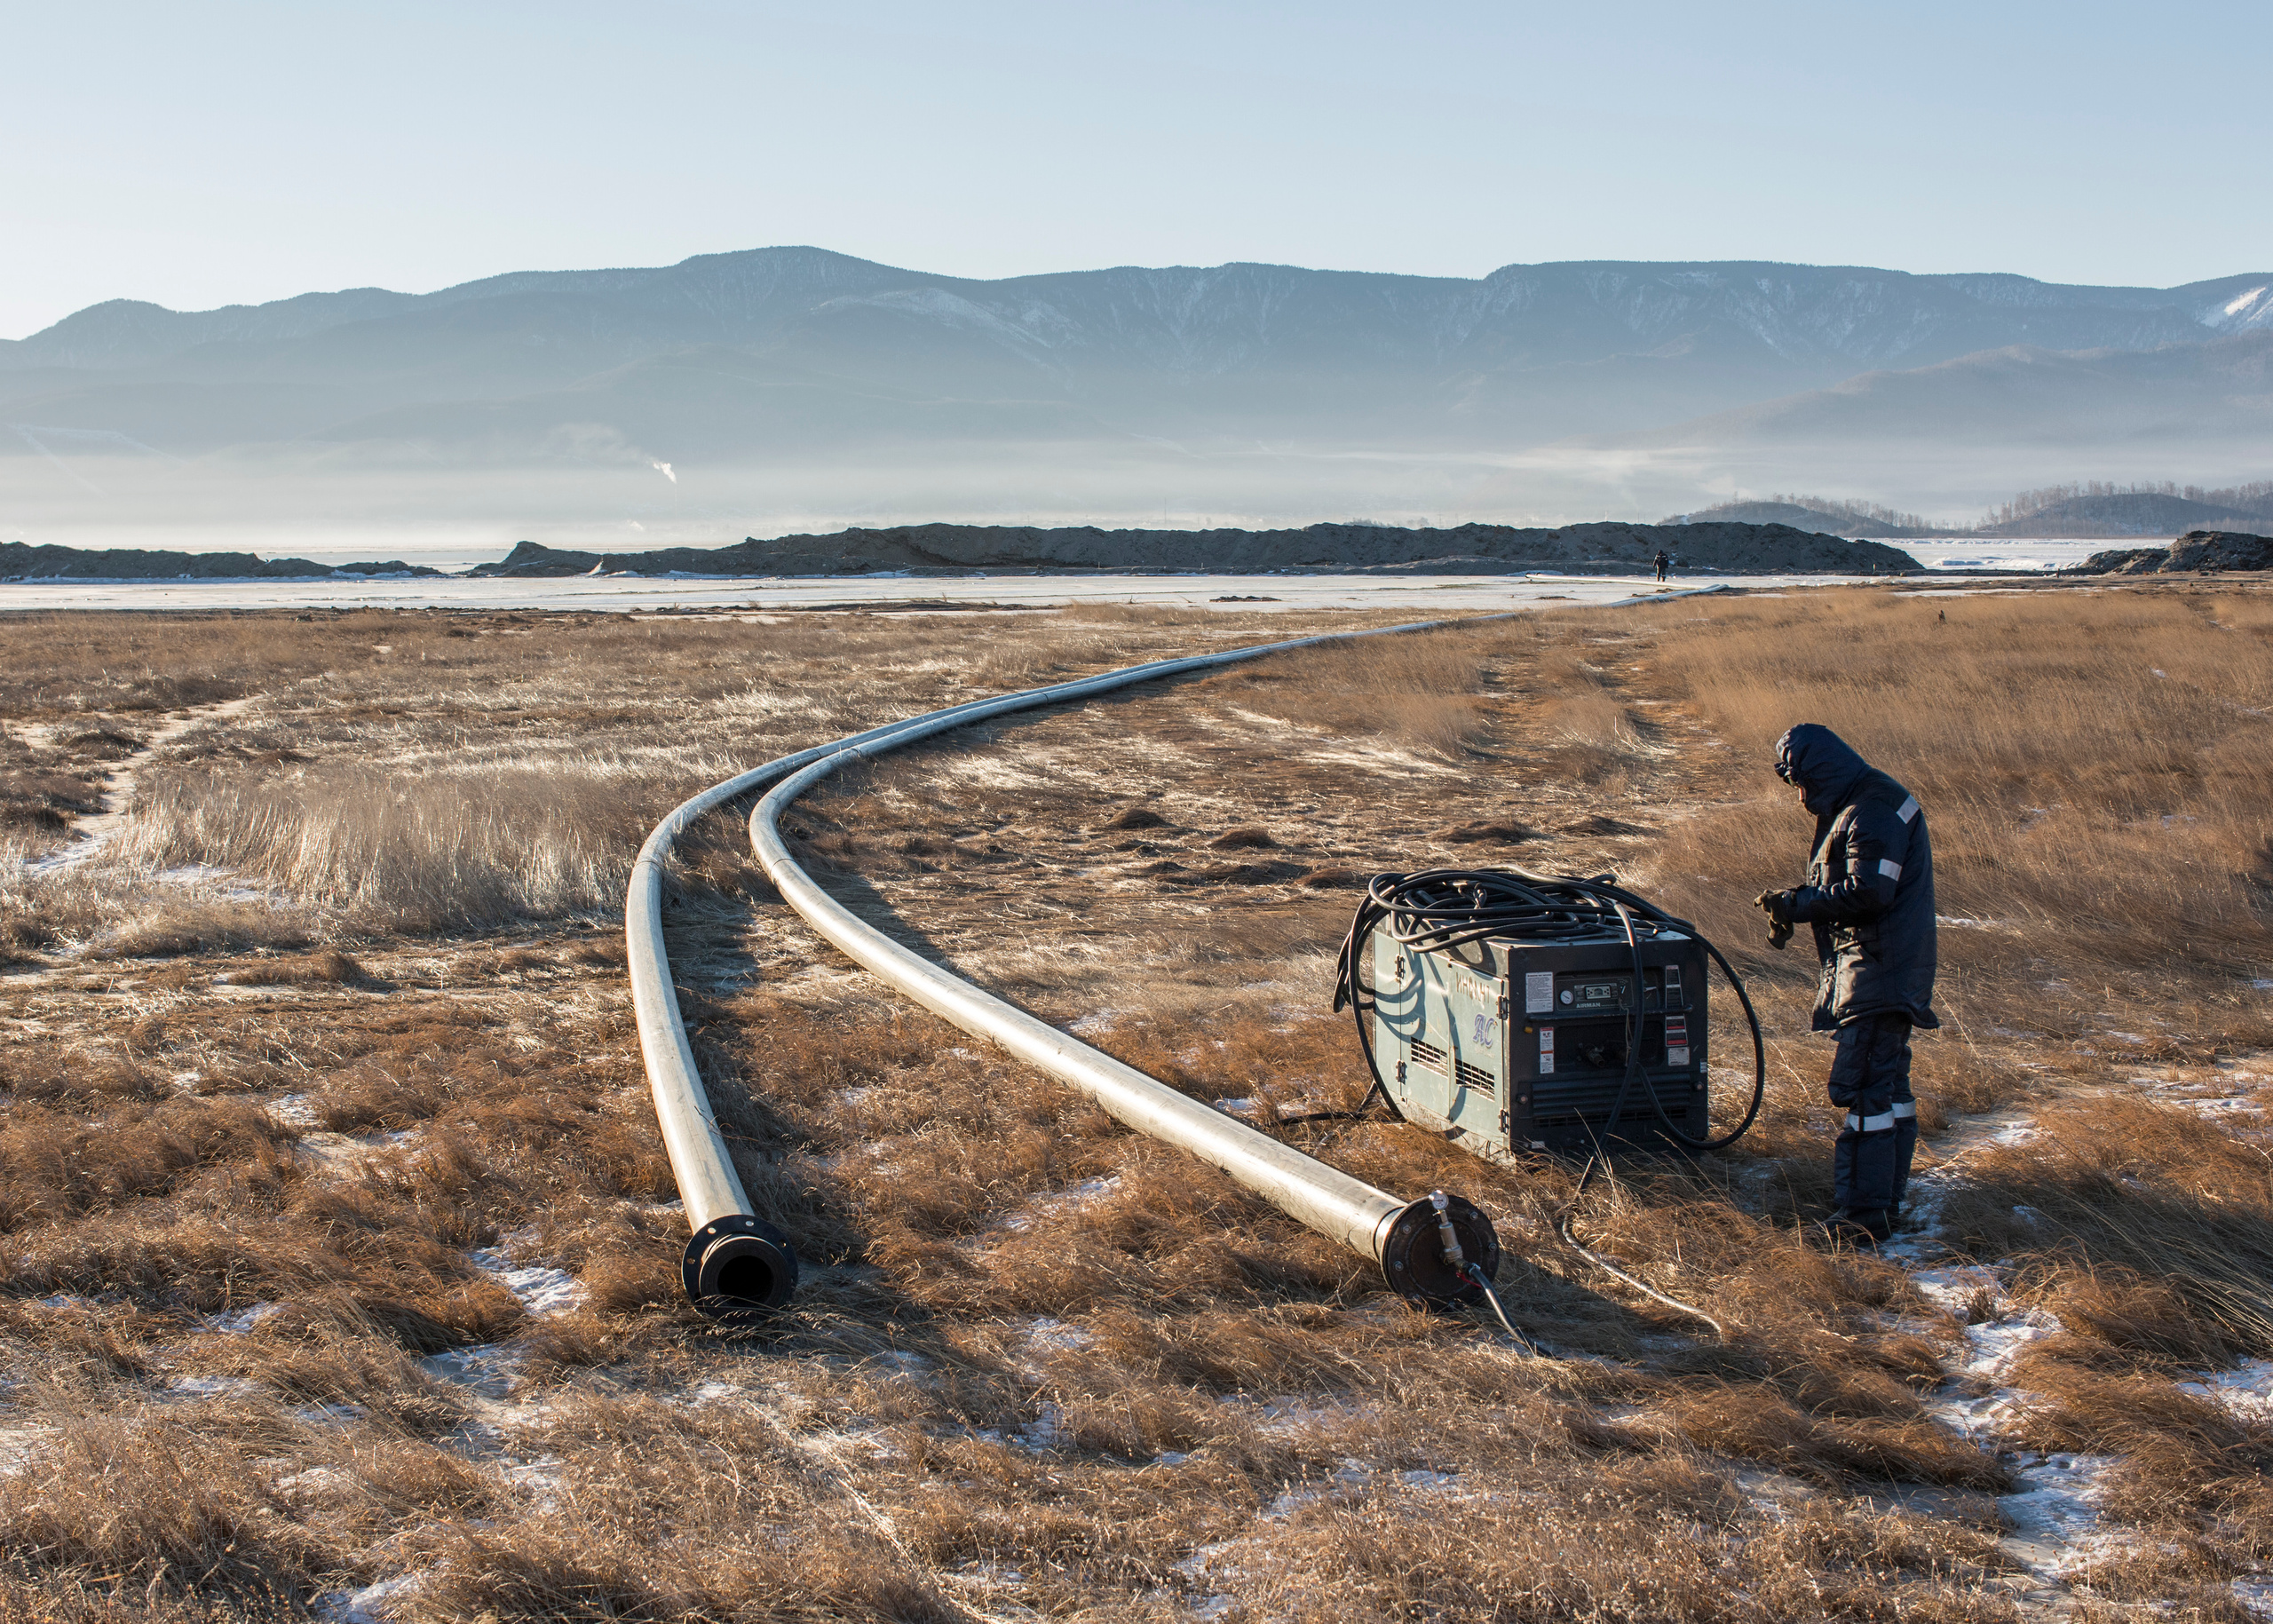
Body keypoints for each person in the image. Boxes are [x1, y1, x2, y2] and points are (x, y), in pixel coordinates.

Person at [1754, 725, 1937, 1248]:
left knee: (1862, 1090)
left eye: (1804, 785)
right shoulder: (1864, 800)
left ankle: (1861, 1219)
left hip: (1880, 971)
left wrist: (1797, 904)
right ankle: (1886, 1202)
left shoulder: (1871, 810)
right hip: (1886, 968)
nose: (1802, 798)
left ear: (1824, 772)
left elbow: (1869, 892)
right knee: (1888, 1089)